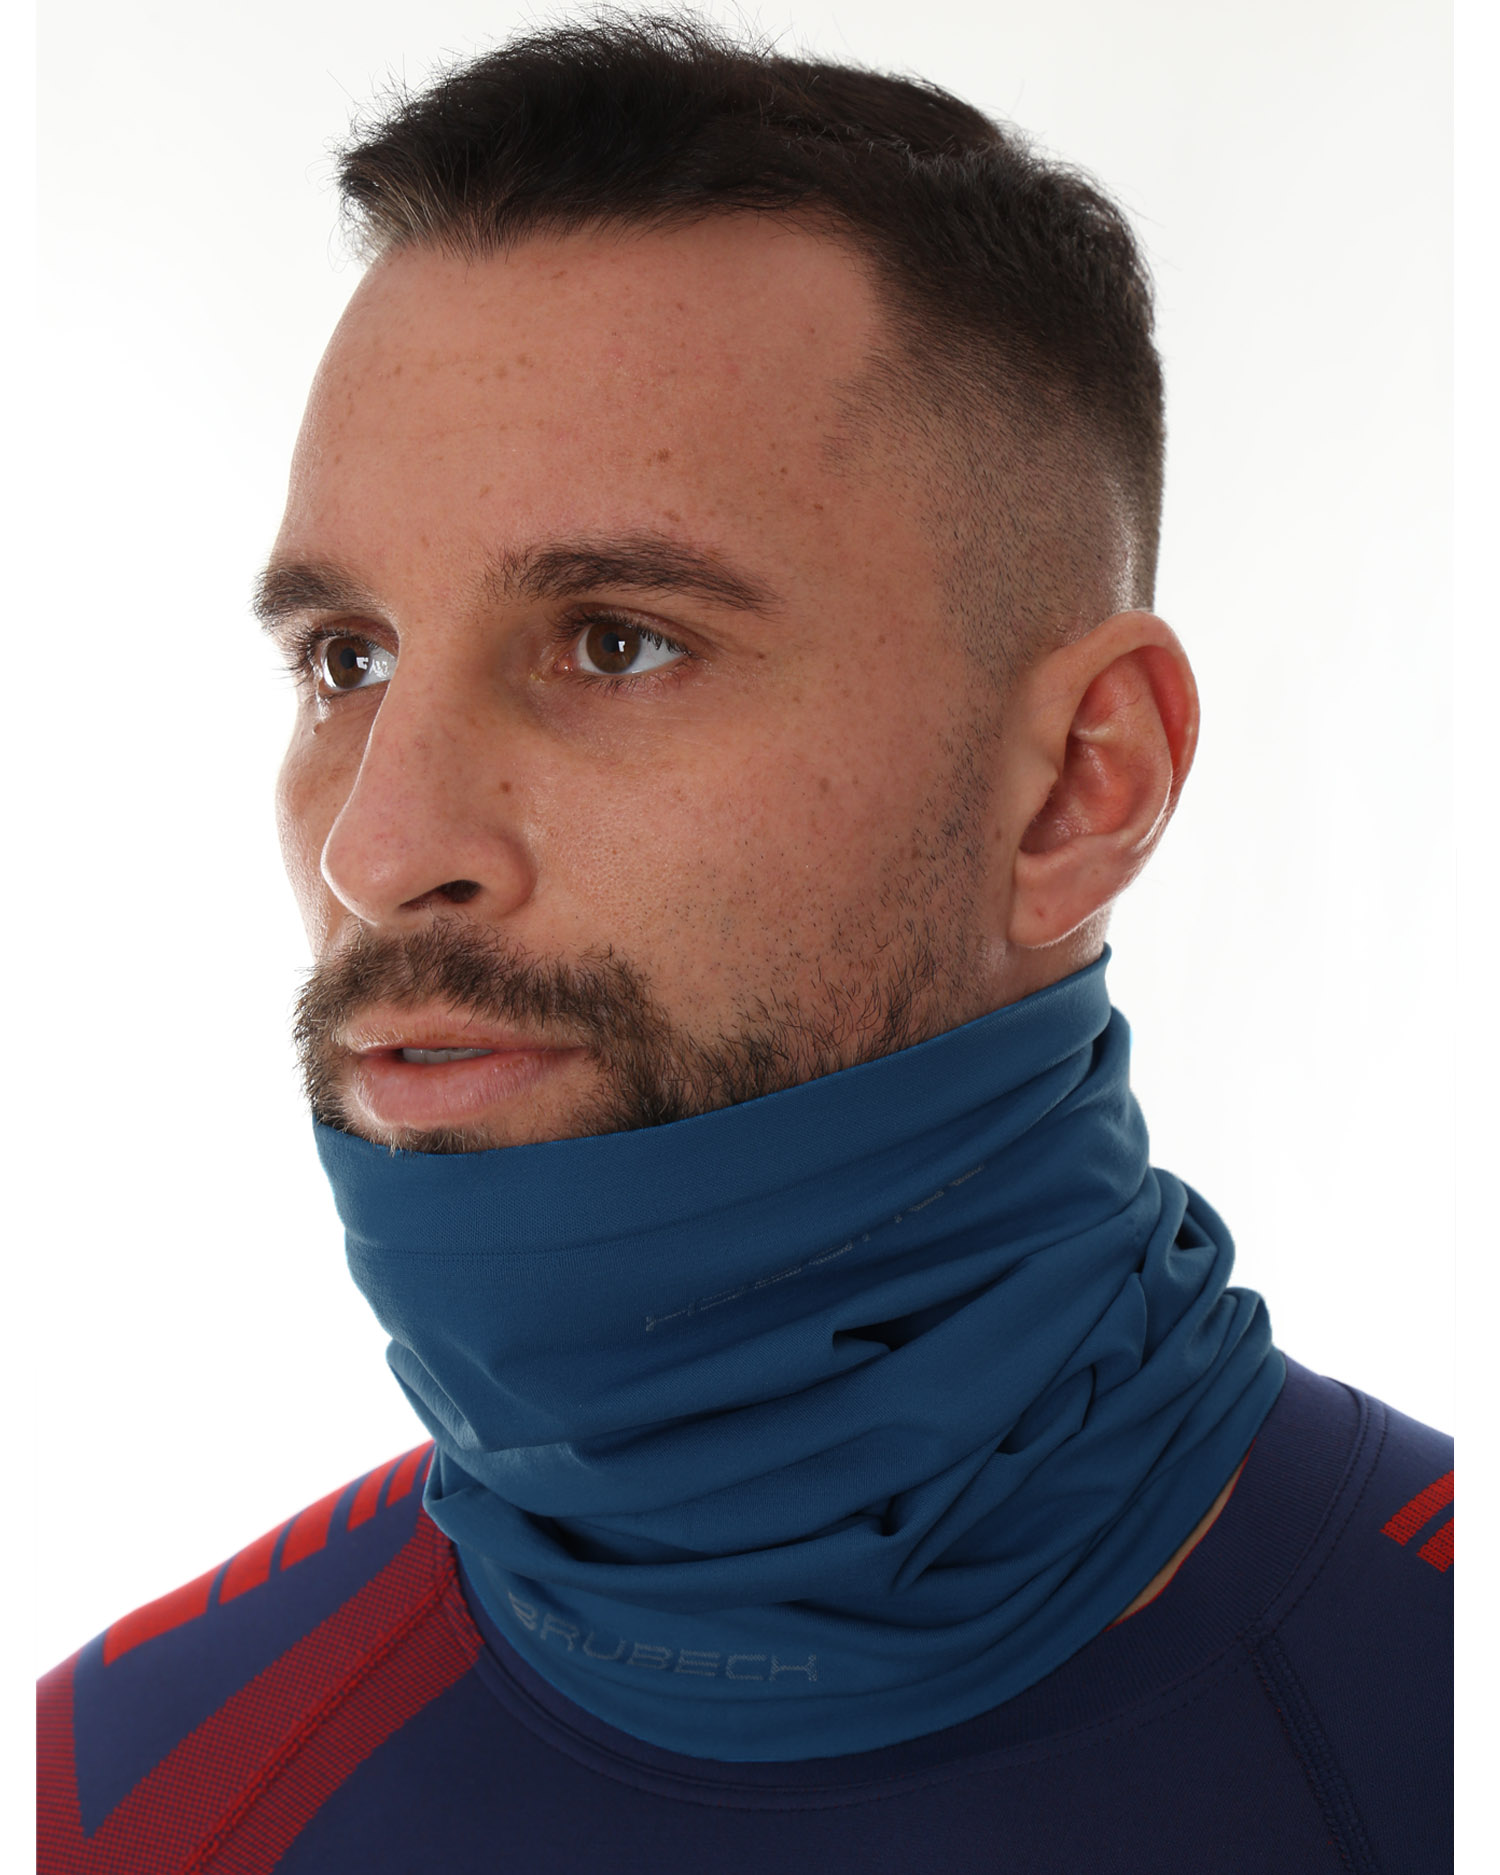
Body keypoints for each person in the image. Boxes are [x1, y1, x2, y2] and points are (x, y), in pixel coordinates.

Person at [37, 15, 1451, 1872]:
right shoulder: (111, 1796)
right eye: (346, 659)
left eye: (616, 641)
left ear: (1076, 788)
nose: (381, 850)